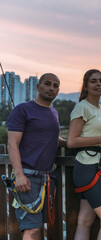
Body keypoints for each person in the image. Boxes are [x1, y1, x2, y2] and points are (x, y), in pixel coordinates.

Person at [7, 73, 66, 240]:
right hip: (27, 177)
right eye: (47, 84)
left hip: (47, 178)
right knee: (31, 230)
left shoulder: (53, 113)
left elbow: (55, 140)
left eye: (55, 86)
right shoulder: (22, 110)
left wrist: (75, 142)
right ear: (38, 86)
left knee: (37, 228)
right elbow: (12, 144)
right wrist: (19, 175)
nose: (51, 88)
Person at [67, 69, 101, 240]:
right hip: (87, 167)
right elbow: (72, 141)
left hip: (100, 166)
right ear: (86, 86)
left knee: (86, 220)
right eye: (93, 81)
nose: (98, 84)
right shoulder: (82, 107)